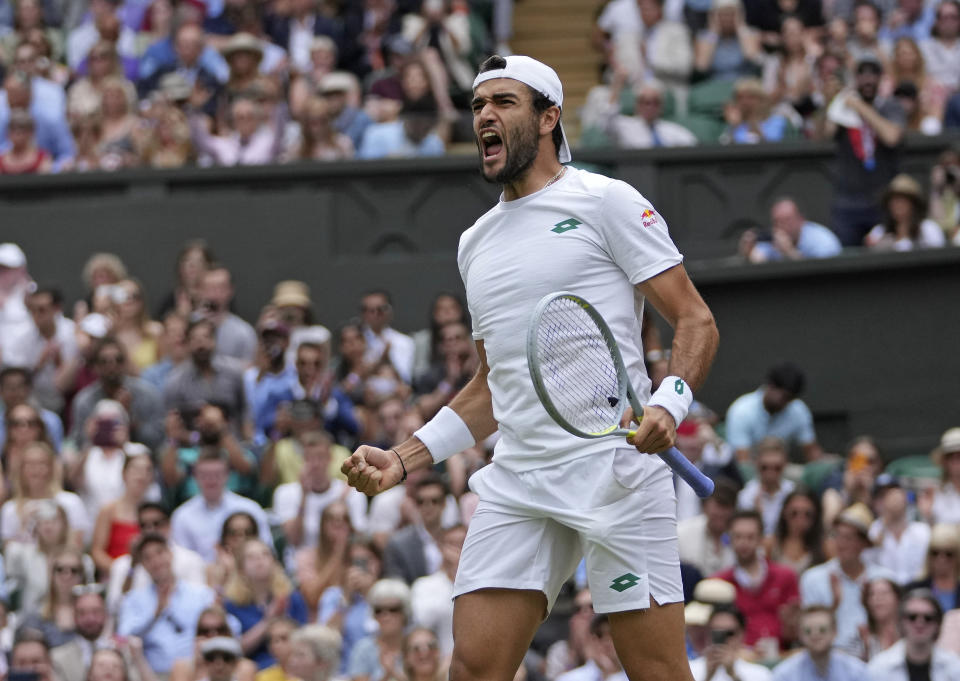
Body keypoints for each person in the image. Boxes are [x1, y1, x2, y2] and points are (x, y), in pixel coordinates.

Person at [342, 54, 720, 681]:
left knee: (656, 672)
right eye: (477, 106)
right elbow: (494, 385)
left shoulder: (608, 202)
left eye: (503, 103)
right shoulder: (474, 243)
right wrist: (403, 459)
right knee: (472, 669)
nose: (484, 116)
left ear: (549, 118)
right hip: (521, 479)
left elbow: (695, 320)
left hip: (618, 472)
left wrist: (670, 402)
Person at [826, 55, 906, 247]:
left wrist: (860, 106)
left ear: (881, 78)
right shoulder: (843, 108)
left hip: (884, 200)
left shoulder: (890, 106)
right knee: (846, 260)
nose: (868, 80)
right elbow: (825, 133)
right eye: (862, 74)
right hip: (848, 202)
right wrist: (832, 101)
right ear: (855, 78)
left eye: (873, 74)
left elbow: (891, 136)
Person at [801, 503, 896, 657]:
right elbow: (809, 627)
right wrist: (833, 607)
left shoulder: (884, 578)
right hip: (828, 657)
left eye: (848, 537)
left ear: (864, 543)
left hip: (875, 656)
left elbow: (891, 627)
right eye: (837, 535)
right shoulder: (813, 578)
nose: (841, 543)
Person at [117, 533, 218, 674]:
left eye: (159, 553)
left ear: (170, 554)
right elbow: (124, 636)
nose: (156, 561)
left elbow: (228, 626)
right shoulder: (133, 599)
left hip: (197, 672)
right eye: (148, 558)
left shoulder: (201, 595)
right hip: (154, 675)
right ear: (143, 565)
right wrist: (155, 614)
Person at [712, 510, 799, 653]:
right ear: (730, 539)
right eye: (738, 537)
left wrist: (791, 622)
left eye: (750, 537)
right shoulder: (718, 583)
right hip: (736, 658)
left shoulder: (786, 576)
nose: (743, 543)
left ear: (761, 539)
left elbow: (794, 634)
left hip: (780, 655)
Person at [169, 449, 272, 563]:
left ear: (227, 474)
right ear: (195, 476)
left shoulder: (250, 509)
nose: (211, 480)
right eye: (205, 475)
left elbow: (267, 550)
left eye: (217, 474)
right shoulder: (182, 516)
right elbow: (181, 560)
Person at [106, 501, 207, 615]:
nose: (150, 530)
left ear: (169, 525)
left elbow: (200, 604)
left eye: (157, 523)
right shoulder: (122, 565)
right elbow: (115, 610)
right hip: (137, 629)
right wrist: (133, 566)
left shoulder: (191, 560)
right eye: (144, 525)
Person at [273, 432, 368, 551]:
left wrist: (341, 504)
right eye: (309, 458)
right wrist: (303, 496)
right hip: (302, 561)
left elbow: (358, 539)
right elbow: (293, 540)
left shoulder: (352, 493)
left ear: (330, 458)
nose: (315, 464)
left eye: (320, 457)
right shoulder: (284, 493)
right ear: (302, 459)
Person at [223, 539, 309, 669]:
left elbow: (305, 639)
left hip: (291, 667)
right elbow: (234, 650)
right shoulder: (232, 605)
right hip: (252, 669)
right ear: (241, 569)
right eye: (251, 557)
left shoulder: (292, 598)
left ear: (274, 562)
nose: (259, 560)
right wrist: (268, 621)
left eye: (265, 554)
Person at [69, 337, 165, 452]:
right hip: (97, 459)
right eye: (104, 361)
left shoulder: (147, 394)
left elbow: (157, 441)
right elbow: (77, 443)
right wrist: (89, 435)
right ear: (95, 367)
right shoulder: (84, 400)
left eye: (118, 360)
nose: (112, 366)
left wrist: (129, 417)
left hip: (139, 461)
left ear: (126, 363)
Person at [2, 285, 78, 414]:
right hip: (34, 404)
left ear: (56, 309)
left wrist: (62, 363)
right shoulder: (22, 338)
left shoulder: (73, 333)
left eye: (42, 310)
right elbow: (15, 378)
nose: (36, 315)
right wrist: (38, 365)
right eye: (32, 310)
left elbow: (66, 383)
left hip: (69, 401)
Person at [724, 362, 821, 463]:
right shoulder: (742, 411)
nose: (786, 403)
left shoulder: (798, 410)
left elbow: (811, 452)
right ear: (770, 386)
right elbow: (743, 462)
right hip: (749, 471)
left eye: (791, 399)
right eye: (784, 396)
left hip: (782, 470)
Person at [163, 320, 247, 434]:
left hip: (231, 441)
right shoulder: (176, 381)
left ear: (215, 341)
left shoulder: (234, 373)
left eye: (206, 337)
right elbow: (172, 426)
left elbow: (245, 412)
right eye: (195, 339)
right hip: (193, 445)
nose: (201, 344)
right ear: (187, 343)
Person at [1, 441, 90, 546]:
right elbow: (8, 552)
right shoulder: (10, 508)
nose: (35, 470)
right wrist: (23, 527)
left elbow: (77, 545)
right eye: (29, 464)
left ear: (51, 468)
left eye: (41, 464)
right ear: (21, 470)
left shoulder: (71, 502)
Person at [88, 448, 157, 573]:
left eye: (148, 470)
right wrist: (120, 571)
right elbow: (97, 551)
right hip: (115, 576)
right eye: (136, 469)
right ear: (124, 473)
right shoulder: (108, 511)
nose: (142, 475)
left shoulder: (156, 513)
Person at [867, 589, 960, 680]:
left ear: (937, 624)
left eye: (928, 618)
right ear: (901, 622)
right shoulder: (879, 668)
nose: (920, 623)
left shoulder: (954, 667)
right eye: (912, 617)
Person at [410, 524, 466, 658]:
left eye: (462, 543)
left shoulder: (480, 585)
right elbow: (423, 621)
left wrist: (462, 576)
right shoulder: (423, 584)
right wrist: (454, 576)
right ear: (440, 548)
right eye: (452, 544)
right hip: (437, 664)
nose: (458, 549)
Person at [772, 605, 867, 680]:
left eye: (822, 630)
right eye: (808, 631)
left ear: (834, 632)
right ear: (800, 634)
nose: (815, 635)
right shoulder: (784, 675)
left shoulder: (856, 671)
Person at [867, 477, 930, 585]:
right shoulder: (874, 530)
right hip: (884, 592)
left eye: (893, 493)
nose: (891, 499)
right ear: (874, 502)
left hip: (916, 590)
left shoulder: (922, 530)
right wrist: (887, 517)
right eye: (882, 496)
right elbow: (868, 565)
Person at [168, 606, 259, 681]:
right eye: (205, 631)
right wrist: (198, 668)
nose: (212, 636)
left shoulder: (245, 667)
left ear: (228, 633)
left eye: (219, 630)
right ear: (197, 634)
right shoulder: (182, 668)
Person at [739, 197, 842, 262]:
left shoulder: (822, 240)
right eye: (776, 221)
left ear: (801, 220)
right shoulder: (773, 239)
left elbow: (821, 274)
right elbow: (759, 259)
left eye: (787, 220)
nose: (781, 226)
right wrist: (748, 254)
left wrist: (789, 252)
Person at [346, 578, 411, 681]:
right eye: (379, 610)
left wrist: (393, 672)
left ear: (405, 612)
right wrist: (386, 674)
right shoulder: (363, 649)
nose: (386, 616)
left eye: (393, 609)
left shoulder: (417, 647)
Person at [689, 604, 772, 681]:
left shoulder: (760, 674)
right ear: (707, 633)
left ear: (742, 634)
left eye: (729, 633)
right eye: (716, 632)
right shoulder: (690, 669)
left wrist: (733, 675)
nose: (723, 639)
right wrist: (708, 677)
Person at [864, 174, 946, 251]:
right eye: (894, 200)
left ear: (914, 204)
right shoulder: (878, 232)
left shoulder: (929, 229)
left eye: (902, 200)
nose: (898, 205)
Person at [197, 265, 257, 365]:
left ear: (230, 290)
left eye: (220, 288)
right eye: (209, 288)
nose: (214, 294)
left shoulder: (244, 333)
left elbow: (251, 369)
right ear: (200, 291)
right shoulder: (187, 326)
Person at [678, 478, 738, 577]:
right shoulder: (681, 533)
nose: (722, 513)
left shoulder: (738, 535)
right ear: (704, 506)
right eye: (718, 505)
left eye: (727, 507)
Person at [736, 438, 795, 535]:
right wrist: (757, 516)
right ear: (756, 463)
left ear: (785, 464)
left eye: (777, 468)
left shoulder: (793, 493)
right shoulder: (746, 495)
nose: (770, 473)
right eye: (765, 467)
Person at [359, 291, 416, 385]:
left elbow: (404, 380)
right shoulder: (353, 340)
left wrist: (388, 358)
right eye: (367, 310)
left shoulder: (404, 342)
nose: (374, 314)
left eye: (380, 309)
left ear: (389, 311)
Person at [764, 489, 825, 576]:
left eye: (807, 514)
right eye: (794, 513)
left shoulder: (824, 547)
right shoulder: (770, 544)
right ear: (784, 513)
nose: (800, 519)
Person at [904, 524, 960, 613]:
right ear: (928, 556)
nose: (941, 559)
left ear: (957, 556)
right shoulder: (913, 589)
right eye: (935, 552)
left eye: (948, 553)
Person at [861, 577, 903, 660]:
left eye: (884, 593)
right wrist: (865, 651)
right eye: (872, 594)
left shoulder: (910, 632)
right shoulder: (861, 636)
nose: (877, 598)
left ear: (898, 599)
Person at [928, 427, 960, 524]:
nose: (956, 462)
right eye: (951, 456)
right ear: (944, 461)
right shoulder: (934, 491)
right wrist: (927, 514)